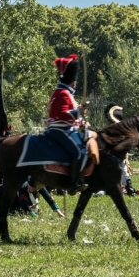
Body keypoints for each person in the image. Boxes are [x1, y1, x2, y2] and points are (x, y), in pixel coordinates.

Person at [46, 54, 88, 194]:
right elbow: (62, 115)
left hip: (66, 128)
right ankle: (73, 184)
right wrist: (78, 112)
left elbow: (69, 116)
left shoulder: (65, 92)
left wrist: (81, 121)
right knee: (78, 152)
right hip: (60, 130)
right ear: (72, 79)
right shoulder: (63, 93)